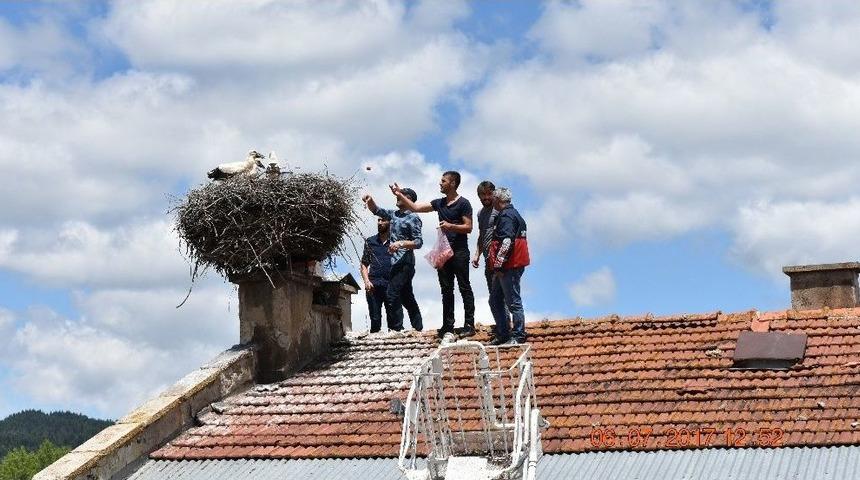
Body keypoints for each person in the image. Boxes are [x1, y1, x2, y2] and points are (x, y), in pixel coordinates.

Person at [391, 171, 476, 339]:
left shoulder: (464, 203)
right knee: (446, 289)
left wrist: (451, 226)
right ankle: (448, 325)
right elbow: (415, 208)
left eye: (443, 181)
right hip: (442, 252)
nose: (440, 183)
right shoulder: (439, 203)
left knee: (464, 286)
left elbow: (469, 227)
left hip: (459, 251)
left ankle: (469, 324)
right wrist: (399, 194)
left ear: (452, 183)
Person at [362, 188, 424, 332]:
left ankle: (396, 329)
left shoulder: (413, 218)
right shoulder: (393, 215)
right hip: (395, 263)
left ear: (409, 199)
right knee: (406, 295)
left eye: (401, 195)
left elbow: (419, 242)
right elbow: (376, 210)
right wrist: (370, 200)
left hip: (405, 263)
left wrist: (400, 243)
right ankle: (418, 326)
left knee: (391, 294)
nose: (397, 197)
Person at [487, 187, 530, 345]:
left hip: (508, 266)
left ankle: (518, 335)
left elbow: (506, 242)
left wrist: (498, 266)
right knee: (495, 300)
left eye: (493, 199)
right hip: (511, 264)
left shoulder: (506, 216)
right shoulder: (515, 214)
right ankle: (503, 333)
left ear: (498, 200)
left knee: (513, 301)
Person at [471, 180, 499, 337]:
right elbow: (482, 235)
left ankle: (506, 327)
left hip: (501, 259)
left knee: (502, 296)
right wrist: (477, 254)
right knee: (493, 294)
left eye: (489, 194)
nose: (486, 197)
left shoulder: (499, 210)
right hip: (488, 258)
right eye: (482, 195)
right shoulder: (481, 213)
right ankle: (501, 324)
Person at [360, 217, 393, 333]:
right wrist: (366, 281)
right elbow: (364, 264)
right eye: (378, 220)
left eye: (383, 220)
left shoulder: (396, 242)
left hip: (391, 286)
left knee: (394, 324)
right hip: (373, 286)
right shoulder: (370, 241)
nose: (379, 223)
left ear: (390, 222)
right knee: (375, 321)